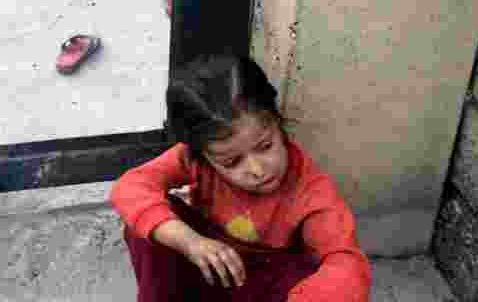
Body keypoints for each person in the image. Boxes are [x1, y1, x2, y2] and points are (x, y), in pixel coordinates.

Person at [110, 54, 371, 301]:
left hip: (267, 280)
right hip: (207, 260)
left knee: (312, 277)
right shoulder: (194, 158)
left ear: (277, 123)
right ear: (204, 156)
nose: (258, 169)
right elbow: (131, 187)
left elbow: (346, 261)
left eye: (265, 146)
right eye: (232, 162)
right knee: (145, 226)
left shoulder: (311, 191)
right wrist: (190, 242)